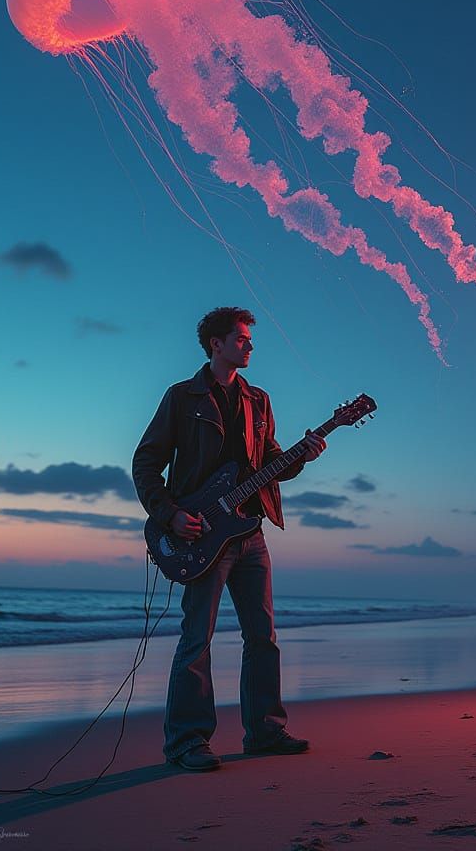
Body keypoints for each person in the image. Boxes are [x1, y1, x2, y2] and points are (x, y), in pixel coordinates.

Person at [133, 306, 325, 772]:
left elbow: (271, 463)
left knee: (263, 636)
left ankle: (265, 731)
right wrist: (171, 514)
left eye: (249, 339)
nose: (250, 345)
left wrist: (304, 454)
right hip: (200, 536)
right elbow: (145, 462)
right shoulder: (182, 397)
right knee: (197, 638)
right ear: (215, 344)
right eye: (241, 338)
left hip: (250, 531)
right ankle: (186, 741)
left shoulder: (259, 401)